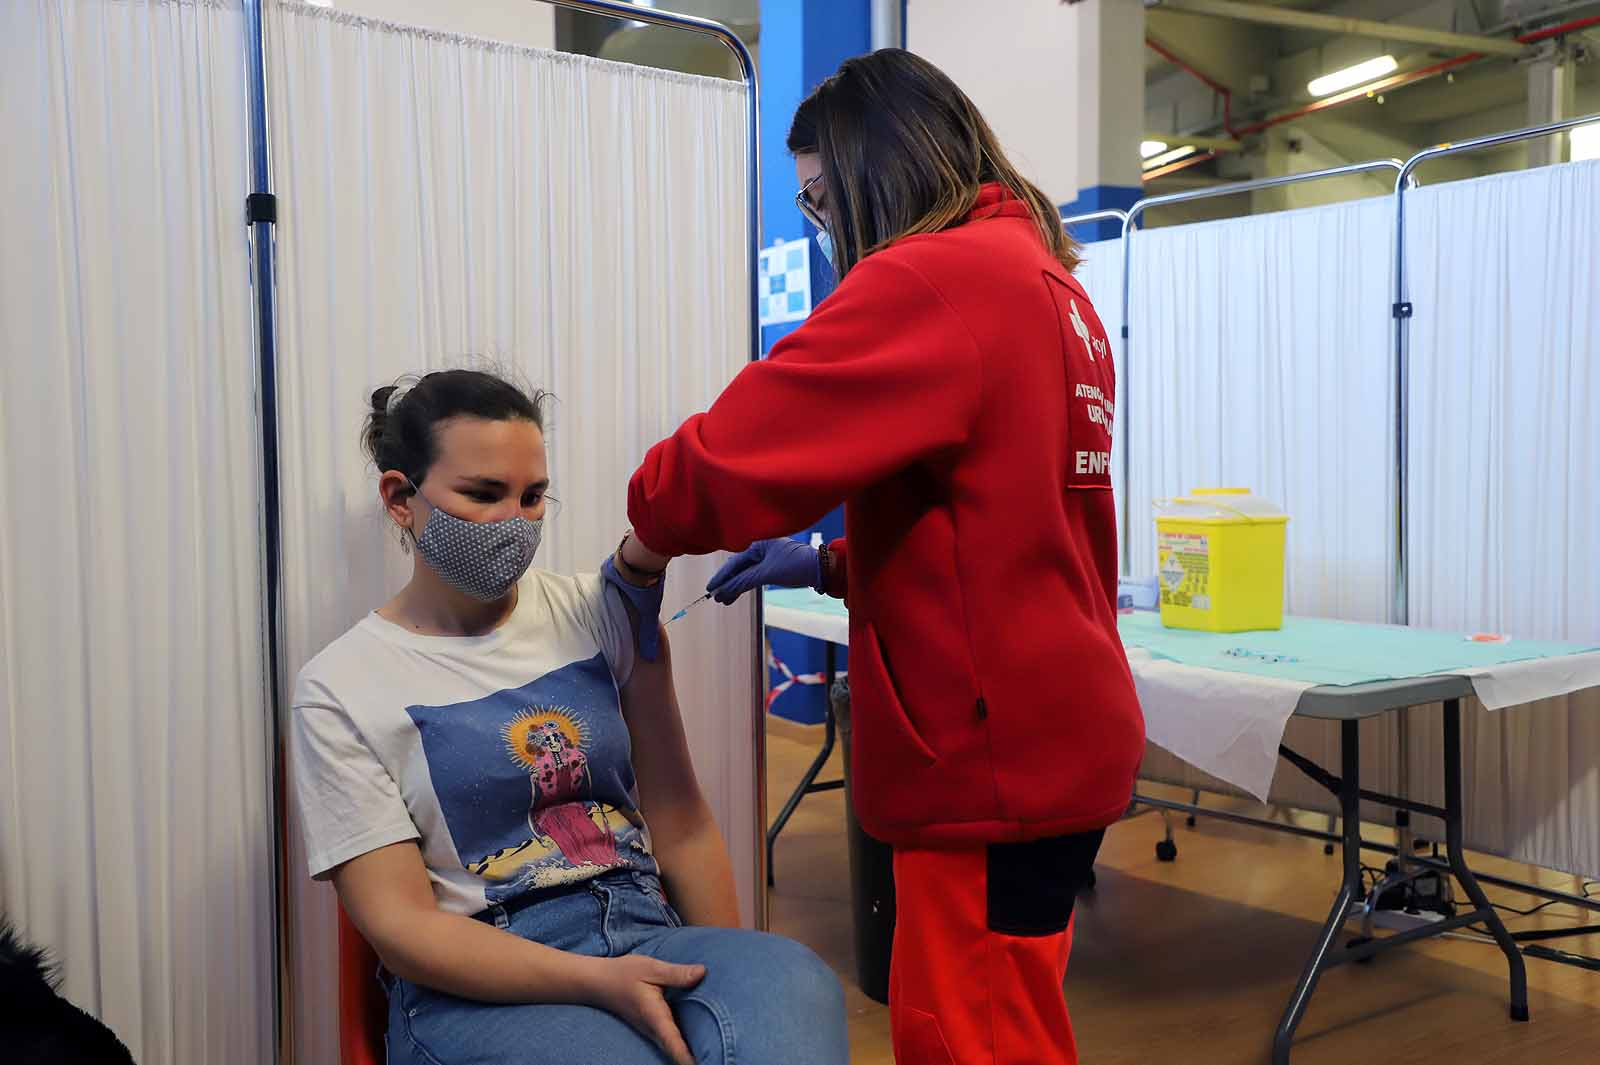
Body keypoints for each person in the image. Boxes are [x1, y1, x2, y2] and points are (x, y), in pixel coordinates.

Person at [612, 50, 1146, 1065]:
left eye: (821, 200)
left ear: (873, 173)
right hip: (1054, 727)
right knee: (1011, 1016)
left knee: (969, 1037)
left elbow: (732, 455)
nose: (820, 229)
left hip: (990, 749)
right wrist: (826, 564)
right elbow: (1005, 529)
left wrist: (643, 541)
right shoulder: (1046, 282)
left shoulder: (931, 278)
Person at [289, 369, 846, 1065]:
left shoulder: (599, 611)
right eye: (483, 494)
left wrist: (726, 971)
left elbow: (682, 821)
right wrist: (598, 980)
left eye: (532, 496)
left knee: (796, 985)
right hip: (481, 973)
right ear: (401, 497)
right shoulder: (339, 688)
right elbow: (401, 926)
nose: (515, 522)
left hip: (644, 923)